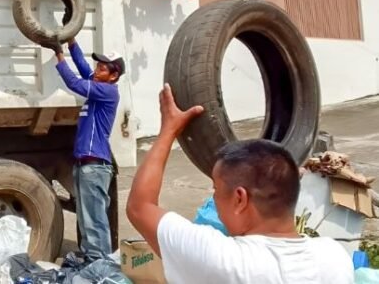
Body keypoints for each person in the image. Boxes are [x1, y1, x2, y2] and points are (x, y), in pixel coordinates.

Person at [126, 84, 354, 284]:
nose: (213, 198)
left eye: (215, 190)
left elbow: (140, 206)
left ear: (239, 199)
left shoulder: (220, 260)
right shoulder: (334, 258)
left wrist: (169, 129)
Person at [51, 37, 124, 261]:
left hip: (95, 165)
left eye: (102, 68)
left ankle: (100, 262)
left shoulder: (107, 92)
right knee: (85, 217)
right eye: (98, 66)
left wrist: (59, 54)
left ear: (113, 76)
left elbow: (74, 82)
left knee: (94, 218)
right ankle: (93, 259)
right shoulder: (99, 85)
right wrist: (71, 42)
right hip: (85, 165)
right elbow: (83, 69)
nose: (96, 69)